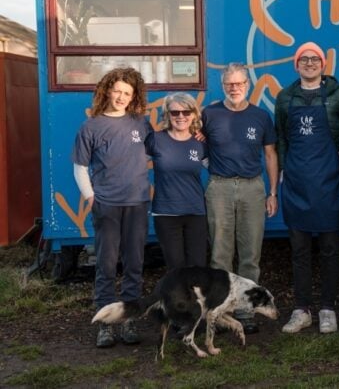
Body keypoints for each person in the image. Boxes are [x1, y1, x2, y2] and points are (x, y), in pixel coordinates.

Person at [275, 42, 339, 334]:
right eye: (304, 59)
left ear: (323, 64)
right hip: (296, 183)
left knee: (330, 249)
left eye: (315, 59)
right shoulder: (284, 98)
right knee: (299, 250)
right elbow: (282, 138)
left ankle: (327, 308)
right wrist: (285, 170)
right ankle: (301, 309)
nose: (309, 63)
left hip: (329, 182)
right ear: (296, 64)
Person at [72, 67, 152, 348]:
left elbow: (161, 149)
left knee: (134, 263)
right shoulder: (91, 127)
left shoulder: (140, 123)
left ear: (133, 97)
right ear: (107, 90)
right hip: (106, 204)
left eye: (127, 93)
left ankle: (128, 318)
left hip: (137, 203)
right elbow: (80, 167)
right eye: (117, 90)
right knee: (106, 264)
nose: (121, 97)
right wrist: (91, 196)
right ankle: (105, 322)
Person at [201, 63, 279, 334]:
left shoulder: (261, 116)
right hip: (219, 187)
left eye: (239, 84)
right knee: (220, 253)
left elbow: (270, 154)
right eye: (229, 84)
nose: (234, 88)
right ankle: (220, 312)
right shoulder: (209, 114)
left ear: (248, 85)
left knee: (250, 254)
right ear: (223, 86)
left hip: (252, 188)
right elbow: (196, 144)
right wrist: (210, 166)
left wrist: (272, 192)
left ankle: (246, 310)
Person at [145, 92, 208, 270]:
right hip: (166, 213)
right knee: (176, 268)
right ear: (167, 115)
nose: (181, 116)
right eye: (175, 113)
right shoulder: (156, 139)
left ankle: (195, 299)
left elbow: (217, 168)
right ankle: (176, 299)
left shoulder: (200, 143)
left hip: (195, 212)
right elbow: (135, 167)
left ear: (194, 114)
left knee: (197, 266)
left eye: (186, 112)